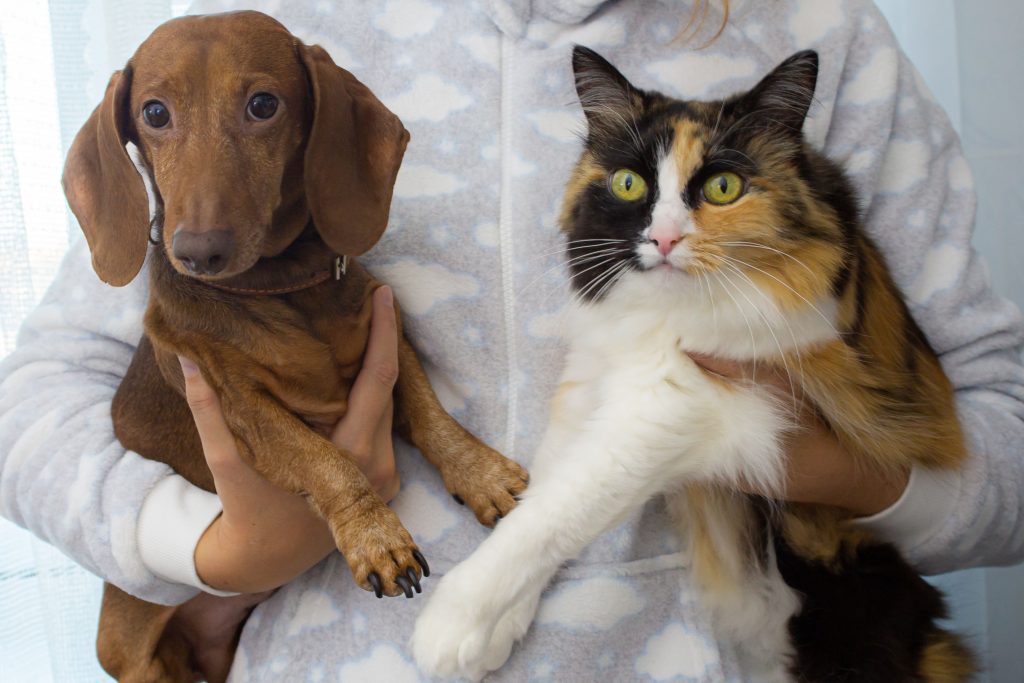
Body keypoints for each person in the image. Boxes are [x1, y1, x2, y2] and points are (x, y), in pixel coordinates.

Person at [2, 0, 1023, 680]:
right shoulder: (268, 43)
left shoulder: (817, 34)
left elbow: (1002, 438)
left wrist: (838, 468)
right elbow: (33, 407)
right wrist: (210, 547)